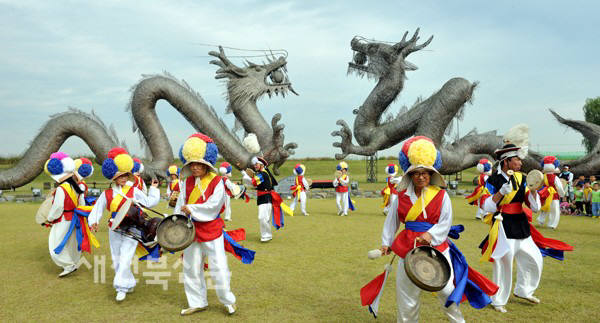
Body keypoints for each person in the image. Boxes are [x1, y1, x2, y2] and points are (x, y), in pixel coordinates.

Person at [372, 136, 497, 322]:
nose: (421, 176)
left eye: (425, 173)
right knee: (407, 296)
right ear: (410, 175)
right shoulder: (401, 197)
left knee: (447, 291)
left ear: (431, 174)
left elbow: (446, 222)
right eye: (417, 173)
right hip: (407, 248)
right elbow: (392, 222)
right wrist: (386, 243)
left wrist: (430, 235)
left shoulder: (441, 195)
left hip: (437, 248)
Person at [174, 133, 236, 315]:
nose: (195, 167)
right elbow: (180, 206)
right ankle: (197, 301)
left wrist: (191, 209)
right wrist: (175, 222)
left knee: (219, 267)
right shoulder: (185, 183)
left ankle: (228, 300)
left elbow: (214, 206)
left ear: (206, 164)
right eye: (192, 164)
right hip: (190, 231)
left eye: (198, 164)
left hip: (211, 230)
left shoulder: (217, 182)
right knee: (191, 267)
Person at [480, 142, 546, 313]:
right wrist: (501, 192)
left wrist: (532, 192)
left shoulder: (522, 178)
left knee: (534, 257)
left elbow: (535, 207)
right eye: (517, 160)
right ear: (506, 161)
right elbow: (486, 207)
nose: (520, 163)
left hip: (520, 222)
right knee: (504, 262)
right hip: (502, 223)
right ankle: (498, 300)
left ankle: (524, 290)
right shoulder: (492, 180)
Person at [88, 147, 160, 302]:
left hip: (132, 227)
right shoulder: (106, 194)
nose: (123, 178)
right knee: (117, 257)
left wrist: (153, 189)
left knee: (126, 256)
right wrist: (93, 221)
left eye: (125, 175)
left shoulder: (133, 190)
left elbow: (148, 202)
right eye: (120, 175)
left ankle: (120, 287)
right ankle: (128, 282)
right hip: (114, 227)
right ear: (114, 177)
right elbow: (97, 208)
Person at [44, 152, 96, 277]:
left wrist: (49, 218)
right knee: (72, 242)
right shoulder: (77, 188)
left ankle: (68, 265)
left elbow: (58, 208)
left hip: (64, 219)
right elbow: (81, 204)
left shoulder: (62, 189)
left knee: (55, 243)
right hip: (75, 218)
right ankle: (73, 262)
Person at [242, 156, 291, 242]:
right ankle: (266, 235)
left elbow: (253, 182)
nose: (255, 166)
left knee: (262, 217)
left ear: (261, 164)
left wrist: (246, 177)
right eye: (254, 165)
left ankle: (267, 235)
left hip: (266, 198)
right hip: (264, 198)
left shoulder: (263, 174)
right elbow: (255, 183)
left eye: (256, 164)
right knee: (264, 217)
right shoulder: (263, 173)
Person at [537, 156, 565, 229]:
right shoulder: (555, 177)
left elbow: (539, 184)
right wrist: (562, 194)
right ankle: (552, 224)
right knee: (554, 209)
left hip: (545, 193)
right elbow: (559, 187)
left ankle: (541, 220)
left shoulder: (543, 176)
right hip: (553, 195)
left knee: (544, 207)